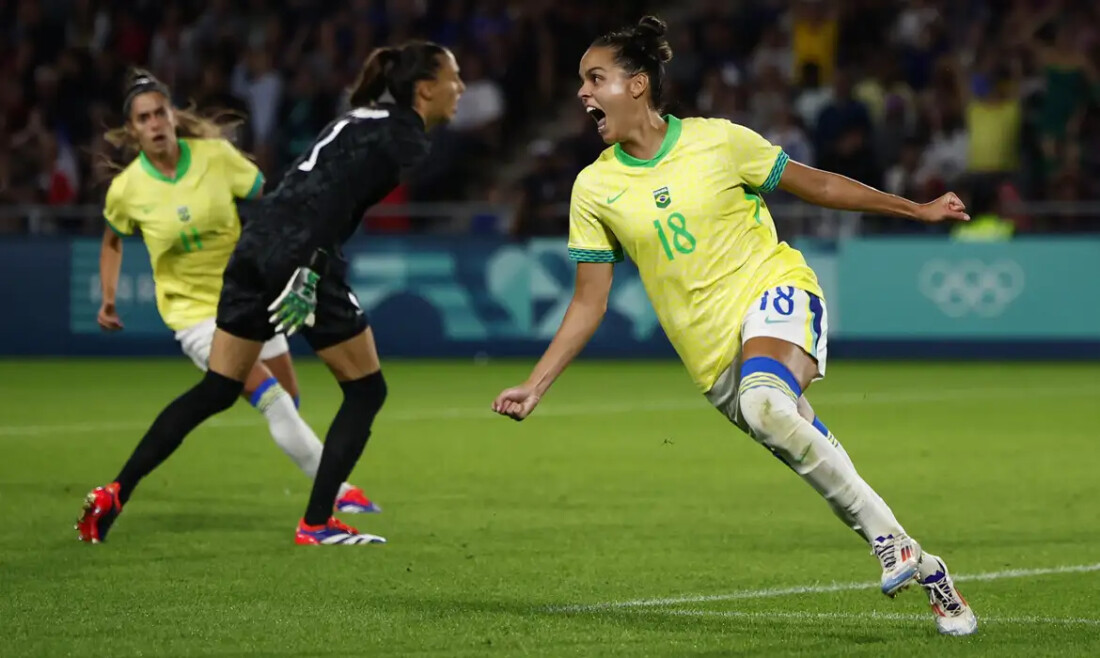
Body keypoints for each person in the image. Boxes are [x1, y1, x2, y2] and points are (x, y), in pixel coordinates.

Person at [490, 17, 977, 636]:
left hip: (774, 291)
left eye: (596, 79)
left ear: (638, 84)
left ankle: (897, 549)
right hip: (711, 355)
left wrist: (915, 208)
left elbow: (818, 183)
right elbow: (589, 301)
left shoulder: (718, 141)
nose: (583, 94)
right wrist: (537, 384)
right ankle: (917, 558)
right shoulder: (594, 188)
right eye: (583, 82)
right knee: (807, 448)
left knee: (767, 401)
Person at [76, 47, 463, 544]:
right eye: (455, 78)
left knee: (218, 389)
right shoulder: (404, 134)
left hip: (255, 246)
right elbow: (336, 201)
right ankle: (318, 521)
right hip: (299, 253)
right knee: (367, 390)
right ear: (425, 88)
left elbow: (291, 186)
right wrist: (310, 269)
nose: (462, 88)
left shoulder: (367, 116)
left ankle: (114, 492)